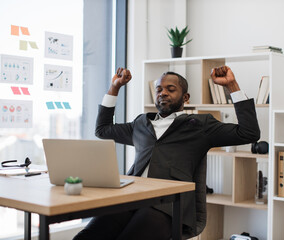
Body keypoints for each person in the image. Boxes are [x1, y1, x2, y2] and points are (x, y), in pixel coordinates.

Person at [73, 66, 260, 240]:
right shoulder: (141, 123)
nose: (163, 93)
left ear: (185, 97)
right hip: (131, 196)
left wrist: (231, 85)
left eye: (170, 89)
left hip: (169, 204)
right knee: (88, 236)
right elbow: (102, 130)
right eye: (159, 89)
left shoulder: (200, 125)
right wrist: (115, 87)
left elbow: (249, 133)